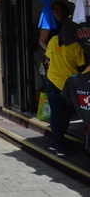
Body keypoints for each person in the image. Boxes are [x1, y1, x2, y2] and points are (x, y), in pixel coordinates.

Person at [45, 21, 86, 156]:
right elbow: (81, 64)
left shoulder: (53, 40)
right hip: (67, 85)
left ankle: (55, 143)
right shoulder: (76, 46)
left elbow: (49, 57)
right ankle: (59, 146)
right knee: (66, 115)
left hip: (52, 81)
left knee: (56, 114)